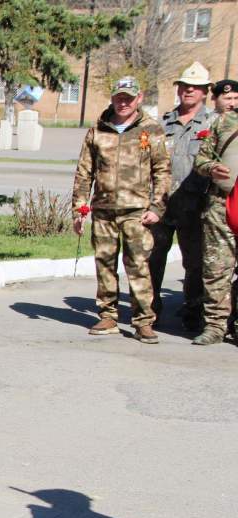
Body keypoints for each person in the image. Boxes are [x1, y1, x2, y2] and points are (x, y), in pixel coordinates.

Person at [72, 76, 171, 344]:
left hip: (137, 211)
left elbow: (162, 171)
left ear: (139, 98)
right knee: (104, 263)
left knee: (138, 265)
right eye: (119, 98)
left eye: (128, 98)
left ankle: (143, 321)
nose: (123, 103)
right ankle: (108, 315)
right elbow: (84, 172)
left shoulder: (151, 129)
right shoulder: (98, 130)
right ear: (113, 98)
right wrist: (79, 209)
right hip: (103, 209)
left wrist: (157, 207)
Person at [149, 62, 213, 332]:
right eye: (185, 86)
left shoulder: (213, 123)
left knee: (194, 262)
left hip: (195, 206)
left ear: (205, 91)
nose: (188, 91)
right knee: (153, 258)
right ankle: (149, 310)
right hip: (162, 204)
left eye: (195, 87)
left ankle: (192, 311)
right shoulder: (163, 123)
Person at [192, 104, 238, 346]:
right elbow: (200, 159)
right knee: (216, 269)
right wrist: (211, 168)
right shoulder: (224, 121)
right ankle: (215, 326)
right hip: (222, 205)